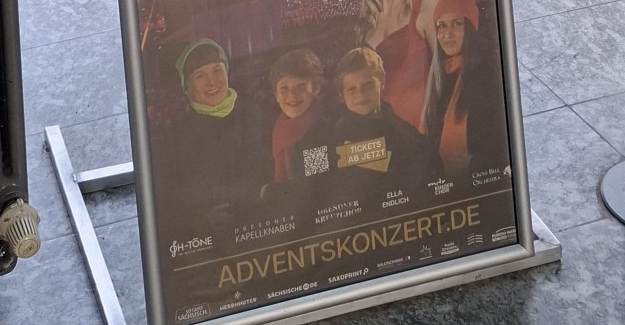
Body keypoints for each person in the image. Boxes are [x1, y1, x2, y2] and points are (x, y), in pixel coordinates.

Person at [153, 38, 258, 237]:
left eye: (217, 70)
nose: (212, 81)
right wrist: (199, 223)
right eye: (200, 75)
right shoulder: (172, 139)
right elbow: (164, 203)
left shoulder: (256, 118)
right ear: (186, 87)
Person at [308, 46, 426, 203]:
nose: (361, 94)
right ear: (341, 95)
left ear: (382, 82)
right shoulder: (324, 138)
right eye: (351, 89)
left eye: (368, 85)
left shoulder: (407, 136)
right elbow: (310, 186)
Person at [422, 0, 511, 187]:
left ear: (470, 28)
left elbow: (500, 146)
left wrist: (472, 168)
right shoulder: (439, 78)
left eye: (457, 24)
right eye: (441, 26)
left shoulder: (488, 78)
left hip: (481, 185)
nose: (448, 35)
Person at [359, 0, 440, 132]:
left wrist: (427, 128)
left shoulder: (425, 6)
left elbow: (447, 75)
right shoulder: (365, 24)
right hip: (378, 133)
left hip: (418, 132)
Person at [264, 48, 324, 188]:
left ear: (315, 89)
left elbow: (315, 187)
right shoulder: (277, 130)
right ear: (276, 95)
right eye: (284, 88)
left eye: (301, 87)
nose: (292, 95)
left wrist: (267, 192)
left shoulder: (321, 131)